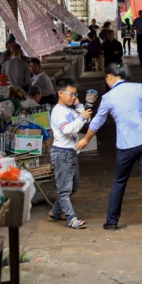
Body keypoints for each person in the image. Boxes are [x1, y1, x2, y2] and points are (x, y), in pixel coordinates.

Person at [77, 63, 142, 231]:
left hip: (126, 145)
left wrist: (87, 139)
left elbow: (97, 121)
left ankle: (112, 221)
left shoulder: (109, 97)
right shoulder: (139, 88)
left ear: (110, 76)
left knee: (119, 181)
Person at [48, 77, 91, 229]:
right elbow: (67, 129)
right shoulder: (58, 111)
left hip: (71, 153)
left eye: (75, 94)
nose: (73, 97)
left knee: (74, 186)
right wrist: (81, 117)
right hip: (62, 153)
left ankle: (55, 211)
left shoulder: (70, 109)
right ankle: (71, 219)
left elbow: (86, 118)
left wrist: (79, 105)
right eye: (71, 94)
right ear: (60, 93)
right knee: (64, 190)